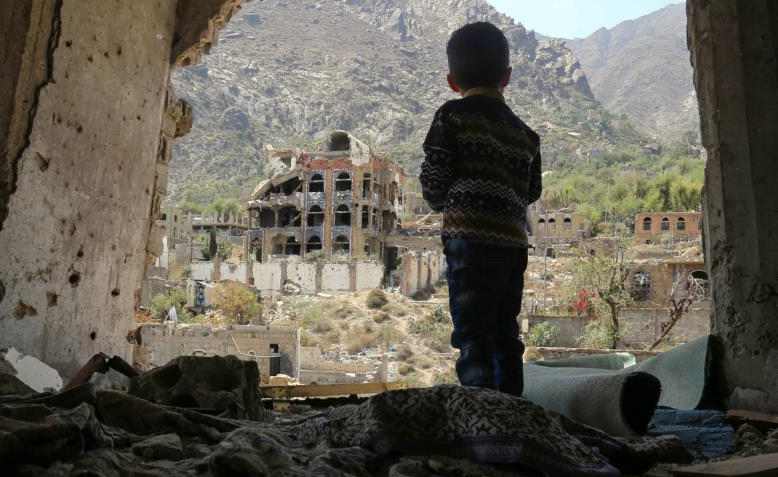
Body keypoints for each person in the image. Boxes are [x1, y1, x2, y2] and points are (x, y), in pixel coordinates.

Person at [419, 22, 542, 396]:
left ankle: (482, 419)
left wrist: (448, 200)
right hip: (512, 247)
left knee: (472, 335)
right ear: (506, 77)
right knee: (506, 331)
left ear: (451, 80)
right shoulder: (527, 136)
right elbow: (532, 192)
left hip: (468, 245)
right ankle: (512, 415)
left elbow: (434, 186)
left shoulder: (451, 117)